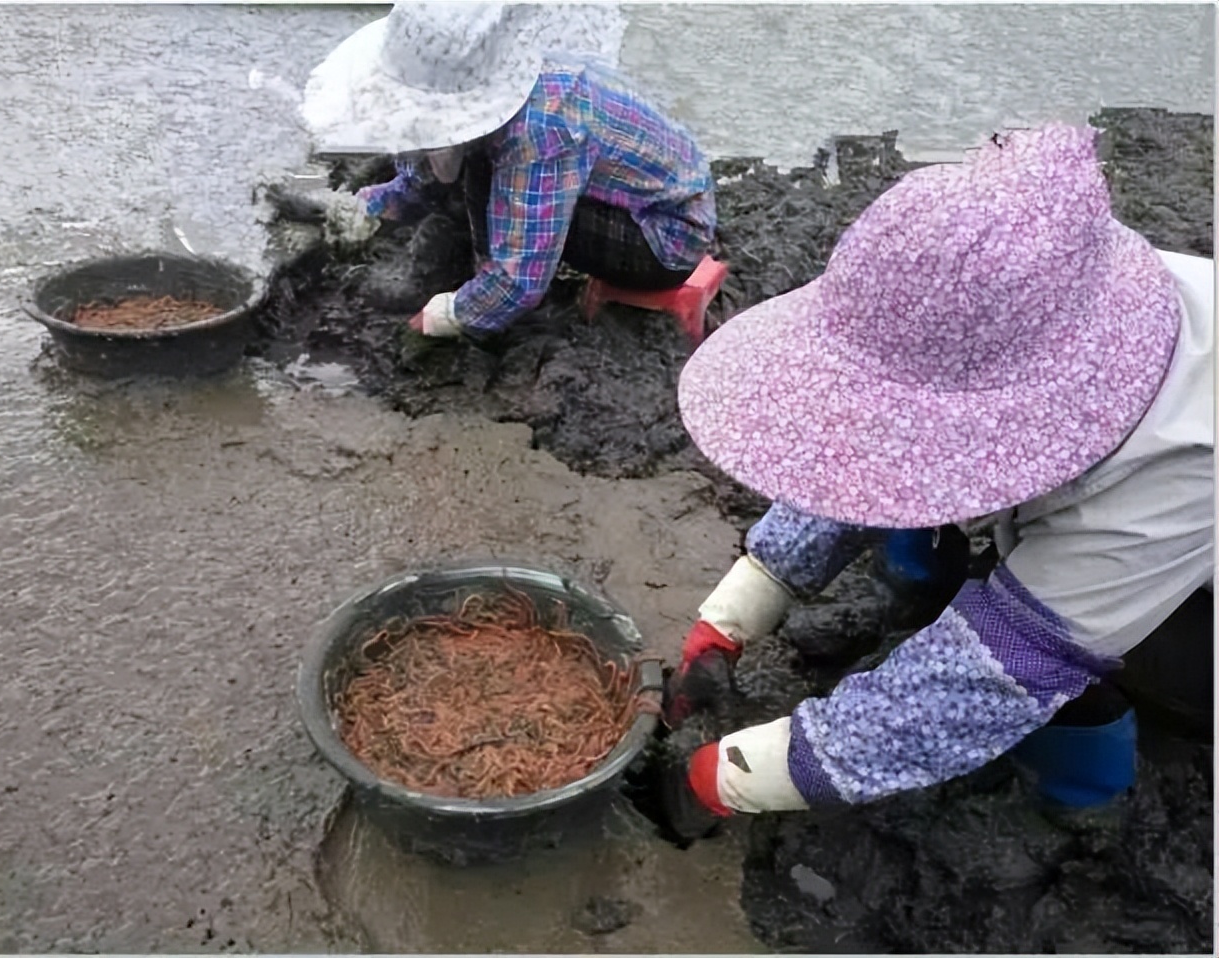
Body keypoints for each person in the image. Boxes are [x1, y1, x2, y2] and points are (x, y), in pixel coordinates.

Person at [651, 123, 1214, 840]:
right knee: (969, 565)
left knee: (1057, 664)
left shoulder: (1175, 470)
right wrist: (733, 614)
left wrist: (728, 777)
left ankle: (1088, 794)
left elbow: (980, 681)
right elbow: (862, 442)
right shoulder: (1059, 286)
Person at [297, 1, 716, 339]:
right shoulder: (496, 76)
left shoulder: (541, 127)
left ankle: (511, 317)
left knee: (484, 174)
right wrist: (361, 211)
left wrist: (448, 316)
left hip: (665, 234)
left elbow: (520, 280)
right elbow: (421, 174)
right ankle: (474, 263)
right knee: (471, 163)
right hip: (611, 191)